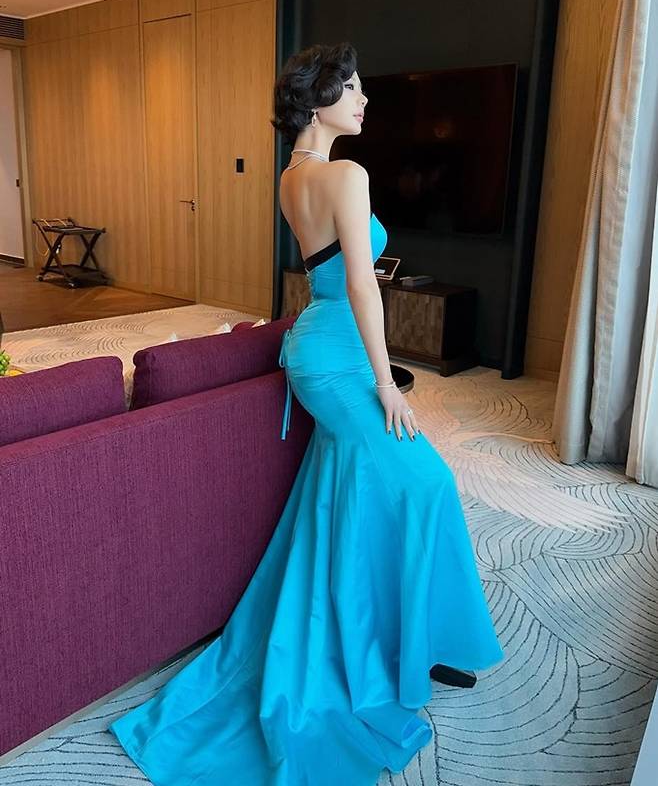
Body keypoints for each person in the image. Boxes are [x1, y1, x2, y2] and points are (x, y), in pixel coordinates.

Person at [106, 42, 504, 785]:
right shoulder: (346, 174)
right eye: (349, 88)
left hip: (318, 349)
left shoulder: (295, 174)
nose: (364, 99)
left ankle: (401, 639)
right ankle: (406, 642)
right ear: (317, 100)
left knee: (353, 493)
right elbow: (361, 284)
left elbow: (333, 277)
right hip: (341, 357)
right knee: (427, 484)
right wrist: (387, 383)